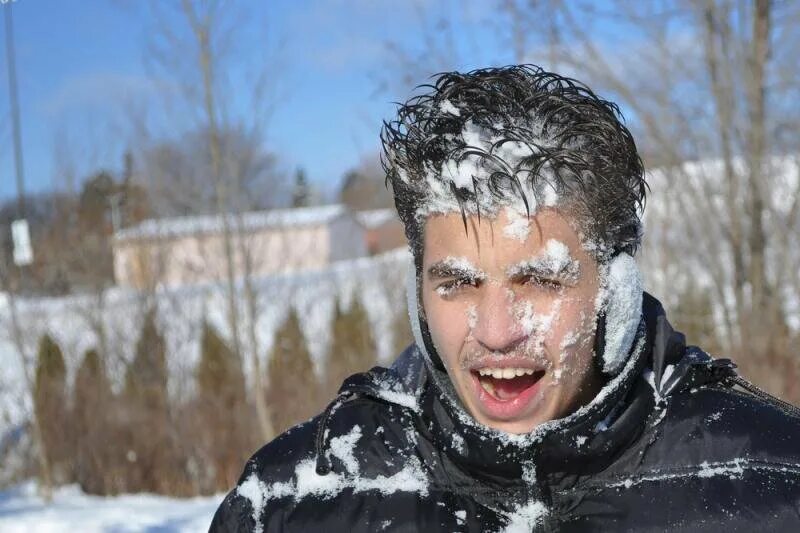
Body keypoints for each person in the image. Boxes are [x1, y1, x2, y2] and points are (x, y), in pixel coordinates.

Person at [209, 65, 800, 532]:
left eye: (541, 281)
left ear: (615, 291)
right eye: (458, 283)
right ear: (417, 298)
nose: (495, 331)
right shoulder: (290, 502)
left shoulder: (775, 485)